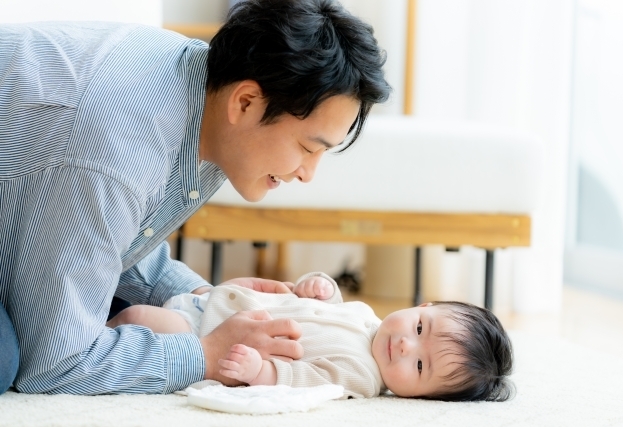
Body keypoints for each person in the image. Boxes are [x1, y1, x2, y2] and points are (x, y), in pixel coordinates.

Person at [0, 0, 391, 395]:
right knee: (7, 357)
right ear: (245, 102)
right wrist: (207, 354)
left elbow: (111, 231)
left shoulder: (205, 98)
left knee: (129, 317)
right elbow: (53, 364)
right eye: (308, 147)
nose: (308, 174)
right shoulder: (116, 152)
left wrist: (205, 298)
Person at [108, 273, 515, 401]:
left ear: (420, 396)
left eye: (420, 365)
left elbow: (306, 380)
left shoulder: (362, 375)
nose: (407, 345)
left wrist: (260, 371)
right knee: (120, 292)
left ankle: (91, 344)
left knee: (136, 317)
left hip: (206, 337)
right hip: (219, 303)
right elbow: (328, 305)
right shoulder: (366, 316)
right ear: (423, 306)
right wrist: (319, 286)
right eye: (420, 328)